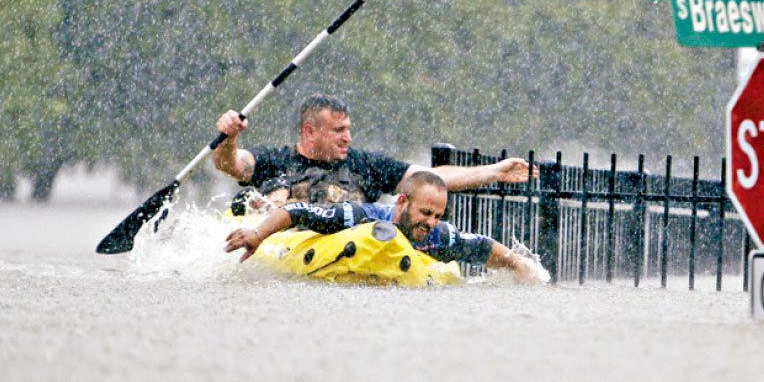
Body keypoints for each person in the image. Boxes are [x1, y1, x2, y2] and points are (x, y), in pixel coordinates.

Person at [212, 93, 535, 205]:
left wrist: (495, 171)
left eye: (349, 129)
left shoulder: (366, 164)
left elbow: (430, 177)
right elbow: (231, 165)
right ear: (310, 132)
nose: (347, 138)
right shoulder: (274, 160)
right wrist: (229, 137)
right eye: (338, 131)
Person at [224, 171, 544, 283]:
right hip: (319, 249)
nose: (430, 222)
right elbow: (297, 210)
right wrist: (257, 235)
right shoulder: (362, 215)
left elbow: (483, 246)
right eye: (425, 212)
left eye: (438, 215)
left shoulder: (436, 234)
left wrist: (520, 265)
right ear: (402, 203)